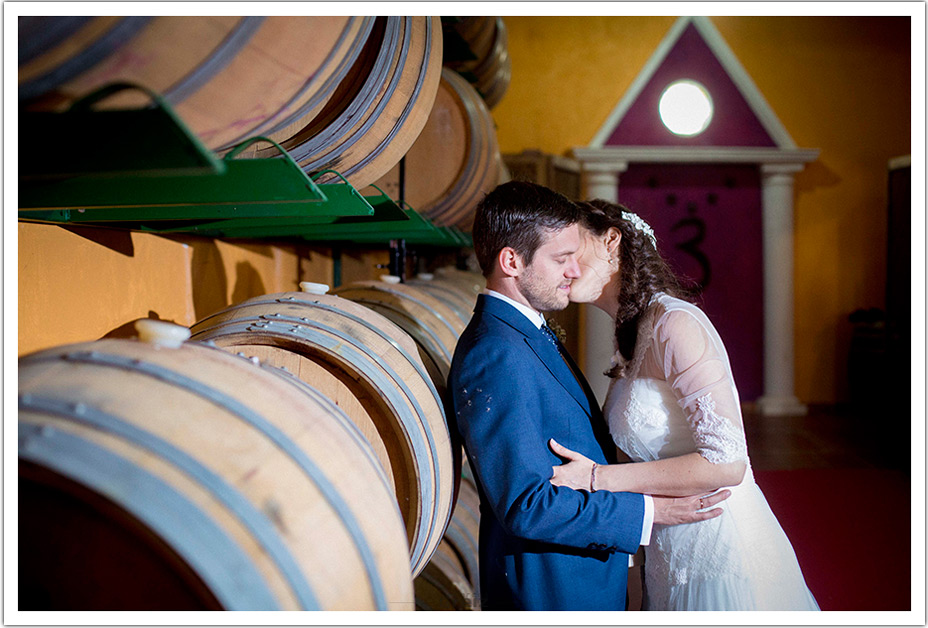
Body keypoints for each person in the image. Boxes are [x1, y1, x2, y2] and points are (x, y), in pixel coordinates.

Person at [446, 181, 731, 611]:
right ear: (511, 261)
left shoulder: (524, 332)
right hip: (552, 591)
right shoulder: (495, 353)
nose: (574, 271)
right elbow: (527, 505)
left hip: (580, 576)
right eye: (561, 259)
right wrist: (650, 514)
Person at [548, 199, 820, 611]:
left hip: (718, 547)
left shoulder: (674, 324)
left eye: (572, 249)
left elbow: (728, 462)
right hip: (669, 545)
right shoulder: (631, 334)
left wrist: (597, 479)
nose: (565, 266)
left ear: (611, 241)